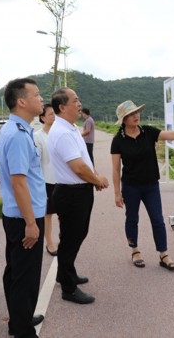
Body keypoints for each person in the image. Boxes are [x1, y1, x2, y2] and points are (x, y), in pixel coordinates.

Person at [110, 100, 174, 271]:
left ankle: (163, 254)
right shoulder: (118, 140)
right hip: (131, 187)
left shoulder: (148, 132)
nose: (136, 116)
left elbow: (170, 135)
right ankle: (135, 250)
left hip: (151, 185)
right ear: (124, 120)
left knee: (158, 220)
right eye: (131, 114)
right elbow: (115, 169)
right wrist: (116, 193)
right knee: (132, 219)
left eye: (137, 112)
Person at [48, 88, 109, 304]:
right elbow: (78, 167)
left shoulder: (71, 128)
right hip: (71, 194)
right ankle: (68, 288)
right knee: (71, 240)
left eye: (79, 99)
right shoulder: (63, 132)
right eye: (75, 100)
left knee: (76, 236)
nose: (79, 103)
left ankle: (66, 273)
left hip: (79, 191)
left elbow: (83, 164)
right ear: (62, 107)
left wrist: (92, 180)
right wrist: (97, 179)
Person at [0, 78, 46, 338]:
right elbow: (19, 182)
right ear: (21, 101)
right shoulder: (16, 135)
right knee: (24, 279)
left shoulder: (20, 129)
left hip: (19, 215)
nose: (41, 99)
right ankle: (24, 331)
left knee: (16, 273)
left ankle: (19, 319)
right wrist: (31, 223)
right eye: (36, 95)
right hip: (24, 217)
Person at [34, 103, 59, 256]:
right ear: (43, 118)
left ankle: (63, 240)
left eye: (55, 113)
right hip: (47, 180)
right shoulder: (38, 137)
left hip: (62, 180)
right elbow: (37, 163)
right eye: (50, 114)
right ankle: (49, 242)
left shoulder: (59, 134)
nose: (54, 116)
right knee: (48, 214)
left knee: (63, 212)